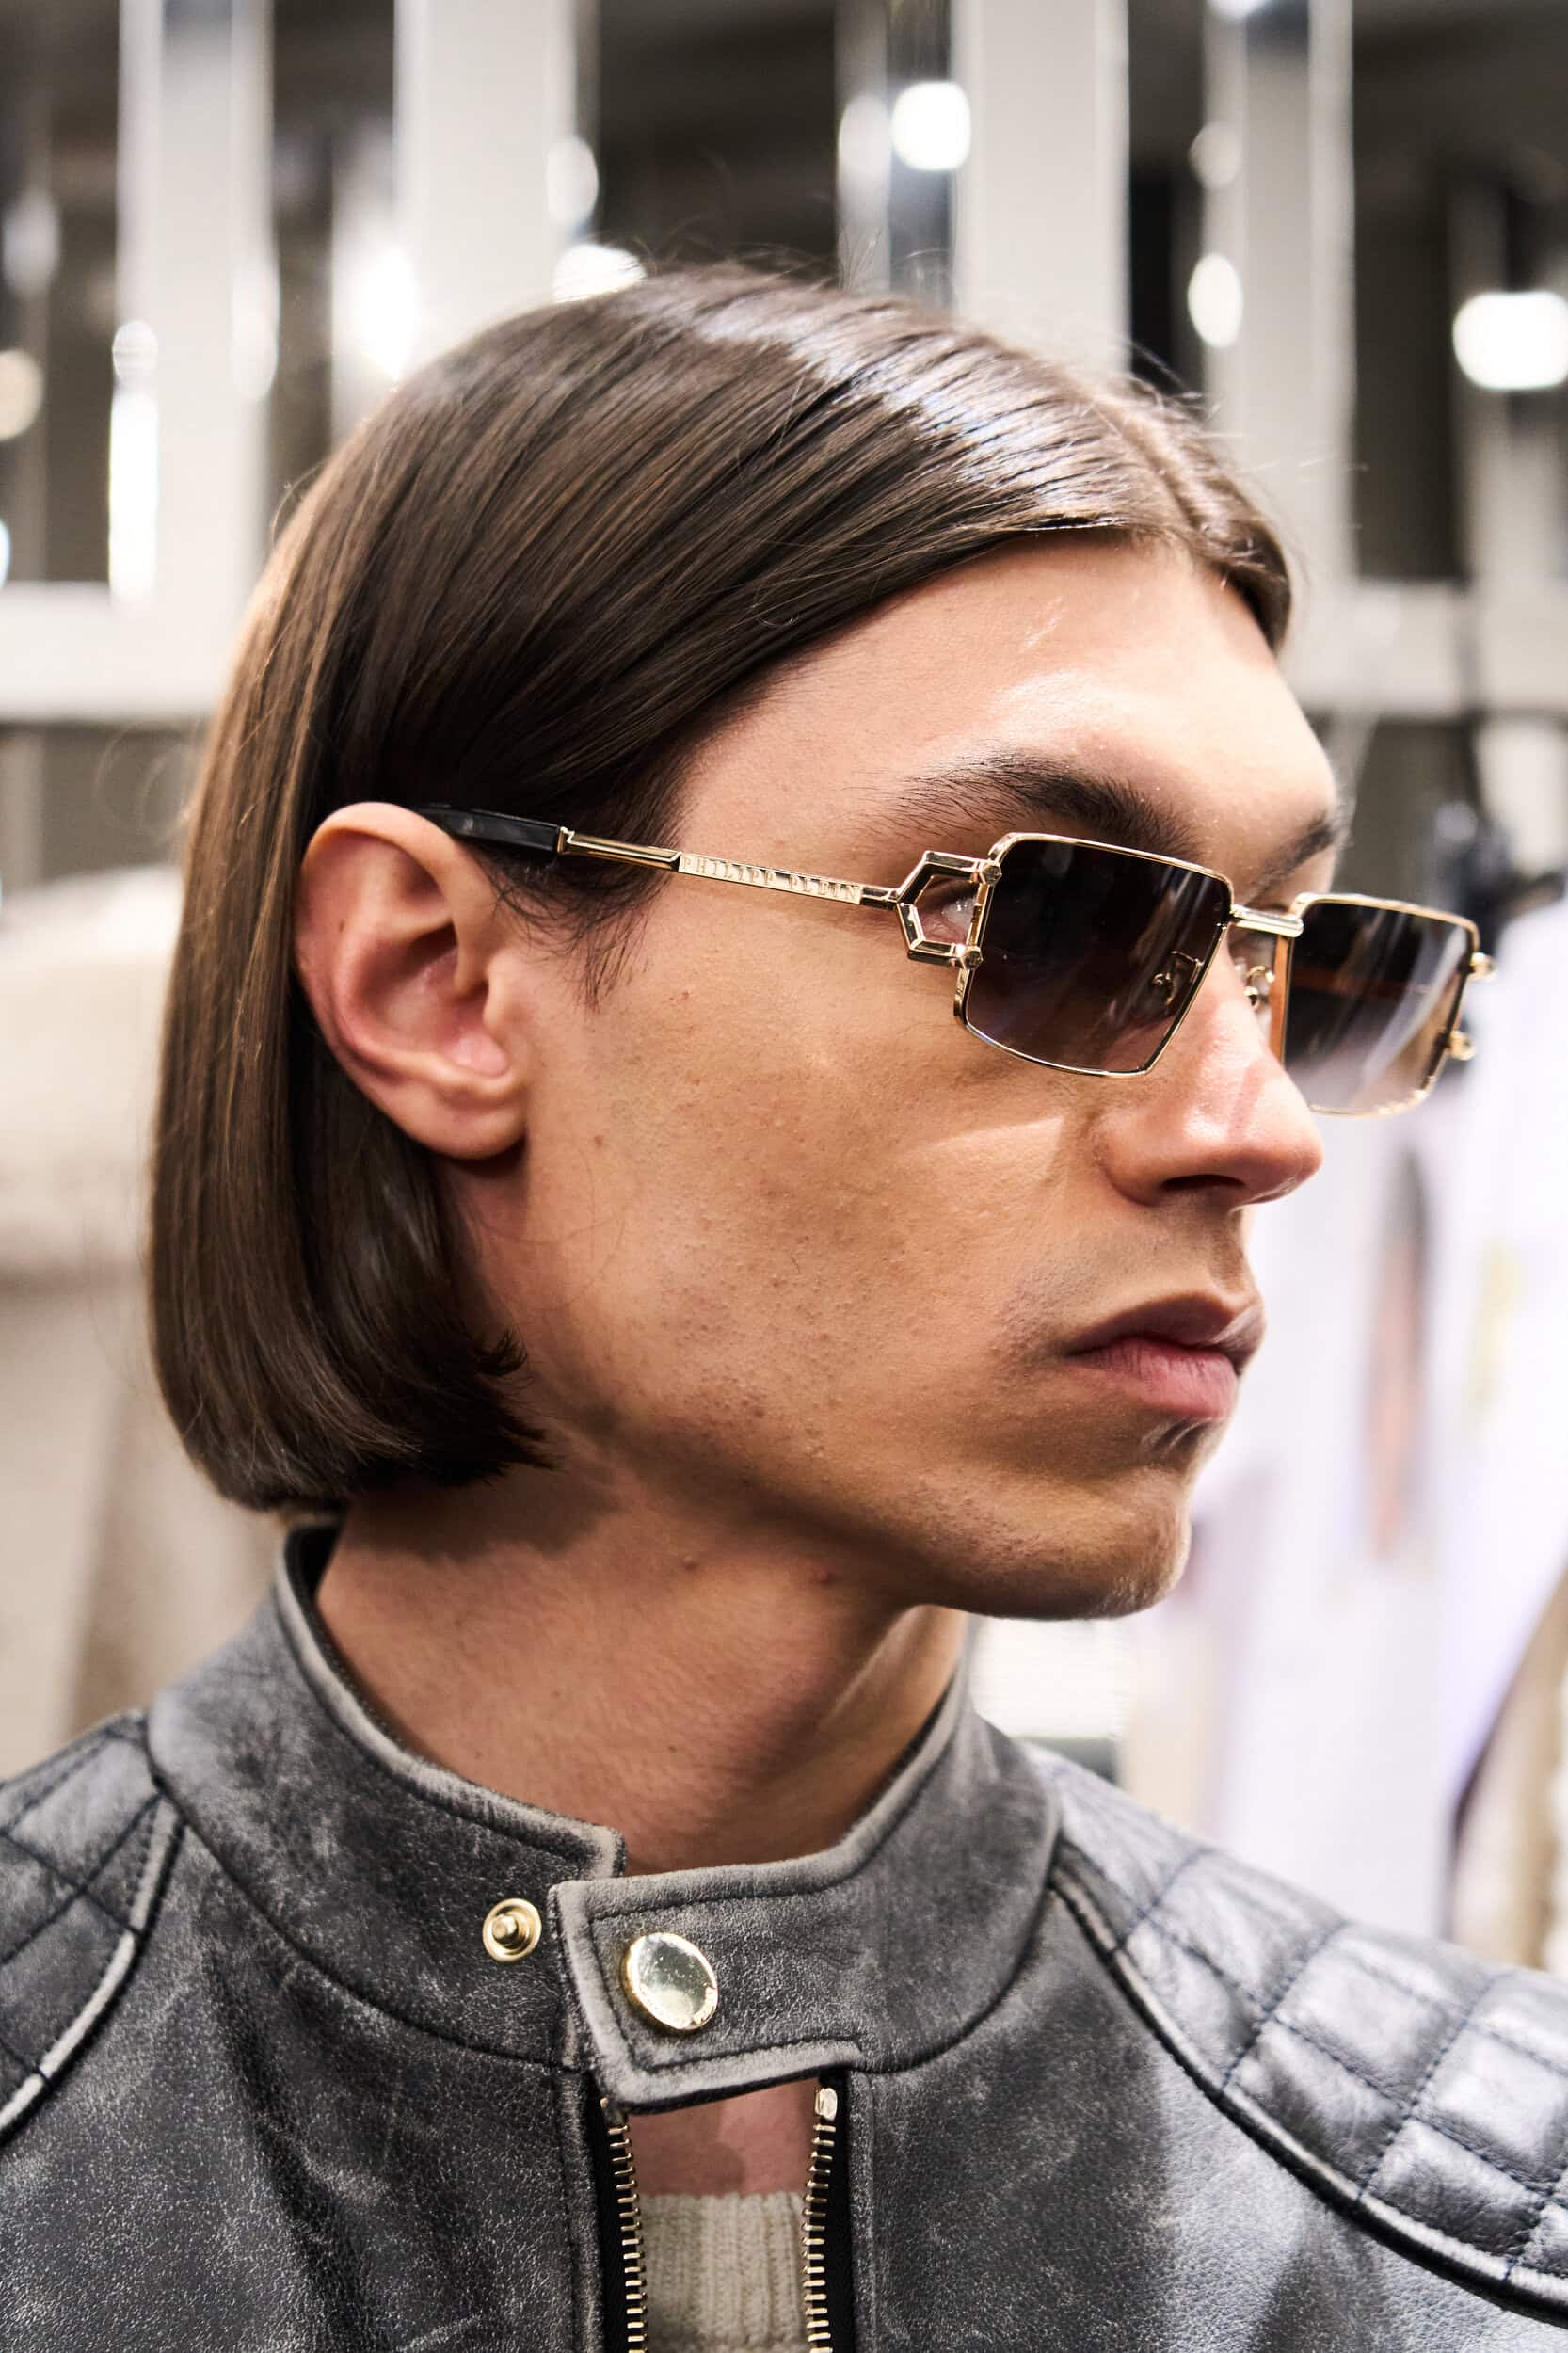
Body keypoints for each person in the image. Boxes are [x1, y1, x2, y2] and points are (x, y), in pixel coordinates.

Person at [2, 266, 1560, 2352]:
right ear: (435, 987)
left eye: (1300, 964)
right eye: (1050, 916)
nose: (1257, 1126)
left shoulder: (1472, 2228)